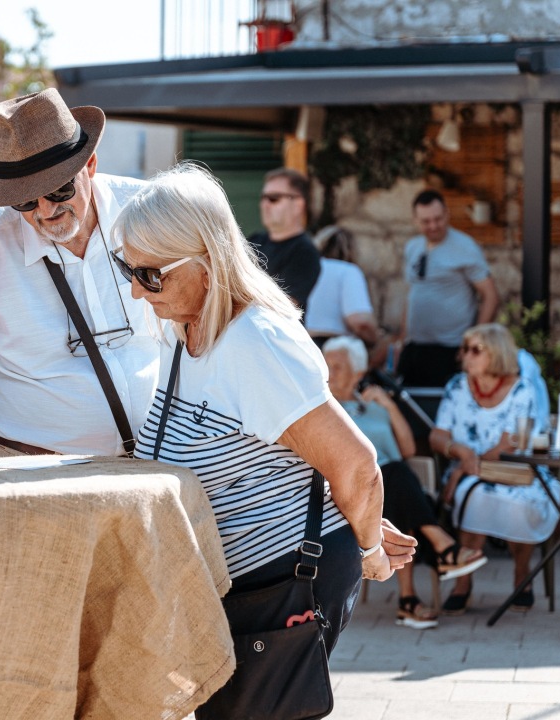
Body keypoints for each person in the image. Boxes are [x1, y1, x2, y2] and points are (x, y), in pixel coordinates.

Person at [117, 165, 415, 692]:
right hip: (232, 584)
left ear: (206, 263)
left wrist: (369, 551)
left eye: (151, 274)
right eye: (129, 271)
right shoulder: (181, 328)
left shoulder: (257, 343)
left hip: (279, 584)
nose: (139, 292)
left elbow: (357, 466)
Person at [0, 89, 159, 457]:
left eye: (59, 190)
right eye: (24, 199)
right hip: (32, 481)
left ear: (90, 167)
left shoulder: (149, 212)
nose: (45, 210)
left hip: (160, 462)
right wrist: (12, 465)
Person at [323, 336, 487, 629]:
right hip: (347, 490)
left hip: (386, 490)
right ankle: (442, 545)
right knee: (393, 475)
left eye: (338, 366)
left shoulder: (374, 406)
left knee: (394, 481)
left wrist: (388, 404)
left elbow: (409, 448)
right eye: (326, 365)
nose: (329, 372)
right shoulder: (321, 409)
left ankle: (409, 600)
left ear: (359, 373)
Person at [431, 323, 560, 614]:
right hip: (469, 472)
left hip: (513, 471)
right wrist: (462, 452)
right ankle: (463, 583)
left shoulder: (521, 391)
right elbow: (437, 436)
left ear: (498, 353)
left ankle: (521, 573)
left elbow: (507, 448)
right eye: (465, 349)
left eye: (476, 349)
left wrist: (464, 469)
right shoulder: (457, 386)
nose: (467, 355)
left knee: (523, 503)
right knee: (472, 495)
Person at [397, 190, 500, 387]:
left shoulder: (465, 247)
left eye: (438, 219)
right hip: (414, 348)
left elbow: (491, 296)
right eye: (426, 221)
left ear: (447, 214)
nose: (433, 226)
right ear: (415, 220)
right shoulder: (412, 247)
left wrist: (473, 344)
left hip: (450, 349)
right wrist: (402, 340)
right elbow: (411, 295)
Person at [248, 167, 321, 314]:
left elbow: (282, 305)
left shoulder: (304, 252)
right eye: (263, 198)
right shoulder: (254, 241)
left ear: (298, 205)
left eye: (273, 198)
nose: (264, 205)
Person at [305, 226, 379, 348]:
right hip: (333, 348)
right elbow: (360, 321)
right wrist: (374, 339)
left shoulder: (303, 270)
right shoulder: (348, 271)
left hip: (298, 345)